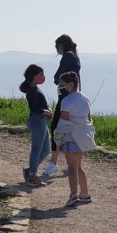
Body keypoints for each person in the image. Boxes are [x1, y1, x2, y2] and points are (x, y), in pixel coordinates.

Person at [53, 71, 94, 206]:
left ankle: (73, 195)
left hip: (70, 136)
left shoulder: (66, 101)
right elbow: (87, 117)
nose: (61, 87)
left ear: (70, 84)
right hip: (82, 137)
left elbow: (64, 121)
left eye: (63, 84)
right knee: (79, 166)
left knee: (71, 167)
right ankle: (85, 193)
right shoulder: (85, 99)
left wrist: (58, 139)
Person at [45, 34, 81, 177]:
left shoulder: (67, 57)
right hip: (75, 97)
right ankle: (75, 163)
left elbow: (57, 77)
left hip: (64, 97)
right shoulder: (76, 57)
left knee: (57, 129)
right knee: (73, 129)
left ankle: (53, 163)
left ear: (61, 45)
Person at [20, 64, 53, 185]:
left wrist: (47, 110)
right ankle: (32, 176)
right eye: (41, 74)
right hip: (37, 120)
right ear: (34, 76)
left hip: (41, 120)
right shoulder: (32, 90)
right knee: (37, 149)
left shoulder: (34, 88)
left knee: (46, 149)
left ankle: (30, 170)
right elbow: (33, 107)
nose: (43, 77)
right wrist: (45, 111)